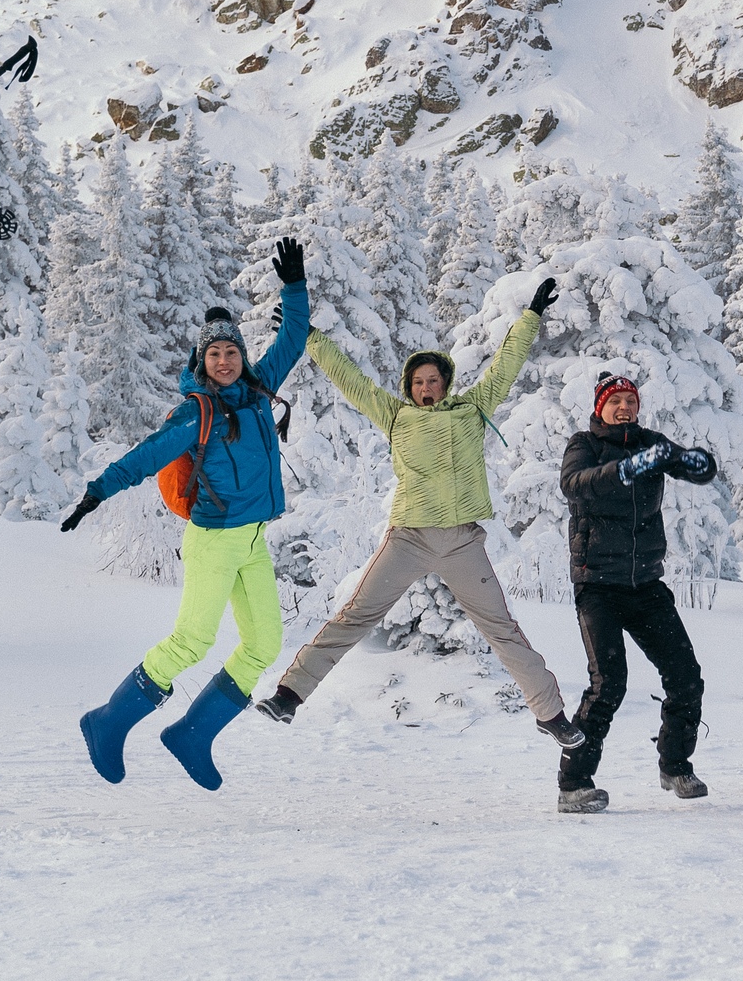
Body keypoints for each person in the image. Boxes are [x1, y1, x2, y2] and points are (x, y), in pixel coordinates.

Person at [250, 280, 583, 753]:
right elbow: (350, 379)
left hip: (463, 542)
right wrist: (308, 336)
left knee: (502, 630)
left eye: (433, 380)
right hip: (409, 538)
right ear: (409, 387)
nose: (426, 388)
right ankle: (288, 695)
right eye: (418, 382)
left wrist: (529, 317)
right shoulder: (394, 415)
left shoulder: (473, 409)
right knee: (355, 616)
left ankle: (550, 714)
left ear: (446, 383)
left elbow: (505, 365)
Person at [56, 239, 310, 789]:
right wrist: (98, 491)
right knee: (192, 641)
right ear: (202, 361)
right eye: (214, 354)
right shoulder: (199, 413)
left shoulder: (258, 392)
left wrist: (294, 287)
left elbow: (293, 339)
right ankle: (108, 722)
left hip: (252, 542)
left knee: (264, 643)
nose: (224, 360)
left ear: (241, 357)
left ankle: (193, 733)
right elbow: (147, 455)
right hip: (214, 541)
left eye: (231, 352)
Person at [553, 372, 718, 813]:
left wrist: (697, 463)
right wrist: (625, 470)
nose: (624, 407)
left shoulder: (650, 442)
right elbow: (574, 484)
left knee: (685, 675)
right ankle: (574, 784)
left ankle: (676, 766)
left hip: (646, 584)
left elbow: (695, 467)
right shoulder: (582, 445)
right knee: (608, 683)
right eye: (615, 401)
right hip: (597, 585)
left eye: (630, 400)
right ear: (600, 407)